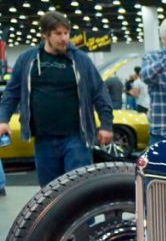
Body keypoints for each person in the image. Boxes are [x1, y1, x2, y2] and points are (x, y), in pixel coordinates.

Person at [0, 11, 113, 187]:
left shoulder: (81, 60)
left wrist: (106, 125)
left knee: (79, 190)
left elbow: (99, 92)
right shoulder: (27, 60)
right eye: (58, 34)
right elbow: (11, 93)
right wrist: (3, 120)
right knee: (49, 194)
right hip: (43, 139)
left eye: (66, 33)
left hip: (76, 138)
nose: (64, 38)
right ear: (45, 34)